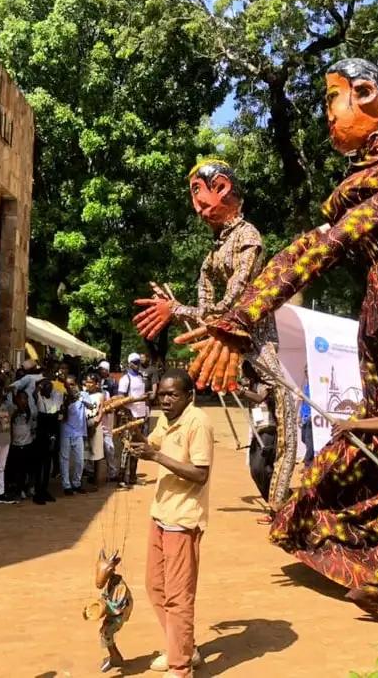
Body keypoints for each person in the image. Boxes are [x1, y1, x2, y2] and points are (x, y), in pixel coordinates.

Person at [178, 58, 378, 611]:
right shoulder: (359, 185)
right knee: (359, 454)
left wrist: (241, 320)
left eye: (333, 102)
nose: (327, 117)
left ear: (367, 96)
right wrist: (231, 321)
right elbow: (313, 244)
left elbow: (326, 246)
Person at [133, 160, 298, 509]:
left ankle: (281, 501)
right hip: (226, 337)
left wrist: (178, 311)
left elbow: (233, 301)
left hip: (255, 336)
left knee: (285, 399)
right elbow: (208, 314)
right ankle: (277, 501)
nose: (196, 207)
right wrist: (178, 311)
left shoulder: (248, 237)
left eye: (199, 193)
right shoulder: (212, 254)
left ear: (222, 187)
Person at [127, 369, 212, 677]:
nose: (165, 400)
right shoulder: (167, 418)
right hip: (160, 513)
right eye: (162, 394)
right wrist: (129, 424)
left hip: (183, 519)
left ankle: (180, 667)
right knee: (155, 587)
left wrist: (156, 457)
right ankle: (184, 648)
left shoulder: (197, 422)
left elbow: (200, 474)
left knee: (178, 596)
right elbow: (149, 443)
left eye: (172, 394)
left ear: (189, 396)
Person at [236, 362, 276, 523]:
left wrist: (241, 391)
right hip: (257, 432)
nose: (243, 373)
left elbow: (260, 398)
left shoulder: (266, 384)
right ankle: (276, 504)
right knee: (256, 470)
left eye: (245, 370)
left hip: (268, 430)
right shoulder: (250, 383)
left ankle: (279, 505)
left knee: (262, 469)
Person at [116, 353, 152, 485]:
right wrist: (138, 399)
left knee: (136, 448)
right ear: (130, 363)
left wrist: (145, 407)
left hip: (141, 416)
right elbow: (121, 400)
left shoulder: (141, 377)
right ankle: (121, 478)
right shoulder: (125, 379)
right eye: (135, 362)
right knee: (126, 447)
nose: (138, 365)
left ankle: (132, 477)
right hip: (129, 417)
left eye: (139, 362)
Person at [32, 378, 61, 505]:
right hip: (41, 435)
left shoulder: (54, 401)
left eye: (50, 388)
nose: (48, 390)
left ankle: (45, 489)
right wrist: (41, 383)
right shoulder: (40, 399)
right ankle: (38, 492)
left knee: (48, 464)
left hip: (51, 434)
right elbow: (34, 392)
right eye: (46, 388)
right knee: (39, 465)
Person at [60, 374, 89, 496]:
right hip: (66, 432)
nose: (70, 387)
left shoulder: (83, 396)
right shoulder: (61, 397)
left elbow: (90, 406)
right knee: (64, 459)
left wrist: (78, 398)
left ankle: (76, 483)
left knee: (79, 461)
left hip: (78, 433)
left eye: (72, 384)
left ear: (76, 384)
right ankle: (66, 485)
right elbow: (61, 416)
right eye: (67, 385)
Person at [84, 373, 109, 490]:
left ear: (96, 384)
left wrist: (94, 425)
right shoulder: (83, 395)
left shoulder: (100, 396)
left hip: (95, 427)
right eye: (87, 382)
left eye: (91, 382)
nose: (88, 384)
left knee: (97, 455)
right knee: (85, 453)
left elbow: (101, 412)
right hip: (84, 426)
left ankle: (96, 481)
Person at [8, 390, 34, 499]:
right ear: (17, 399)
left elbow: (30, 423)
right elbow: (9, 422)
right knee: (18, 469)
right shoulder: (12, 409)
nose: (24, 401)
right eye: (21, 398)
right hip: (16, 445)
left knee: (28, 468)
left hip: (28, 443)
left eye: (25, 398)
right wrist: (17, 410)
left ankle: (29, 488)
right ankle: (19, 489)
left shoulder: (29, 411)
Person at [300, 367, 314, 467]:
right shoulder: (306, 386)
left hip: (311, 418)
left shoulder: (315, 386)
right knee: (304, 439)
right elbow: (304, 402)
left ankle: (308, 464)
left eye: (308, 371)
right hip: (304, 418)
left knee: (309, 441)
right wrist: (299, 416)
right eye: (305, 371)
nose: (306, 373)